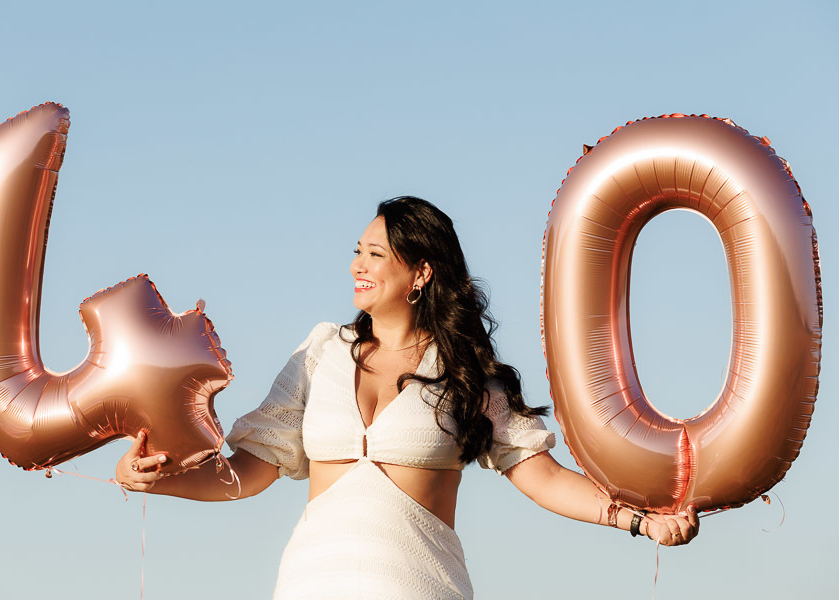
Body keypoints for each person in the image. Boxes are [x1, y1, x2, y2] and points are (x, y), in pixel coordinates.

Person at [116, 197, 699, 599]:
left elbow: (541, 476)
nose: (357, 266)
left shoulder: (469, 372)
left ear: (421, 273)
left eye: (376, 254)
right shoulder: (321, 353)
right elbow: (252, 469)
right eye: (358, 250)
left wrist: (638, 521)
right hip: (308, 586)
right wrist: (157, 480)